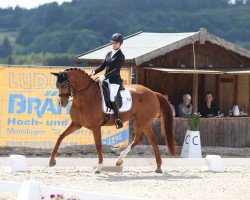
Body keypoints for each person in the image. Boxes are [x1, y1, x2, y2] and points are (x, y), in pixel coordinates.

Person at [89, 33, 125, 129]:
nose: (114, 44)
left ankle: (118, 119)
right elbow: (103, 65)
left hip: (114, 81)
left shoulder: (120, 56)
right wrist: (94, 71)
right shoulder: (109, 54)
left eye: (116, 43)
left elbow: (116, 70)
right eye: (113, 42)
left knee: (112, 97)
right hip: (106, 79)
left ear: (120, 43)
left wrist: (104, 76)